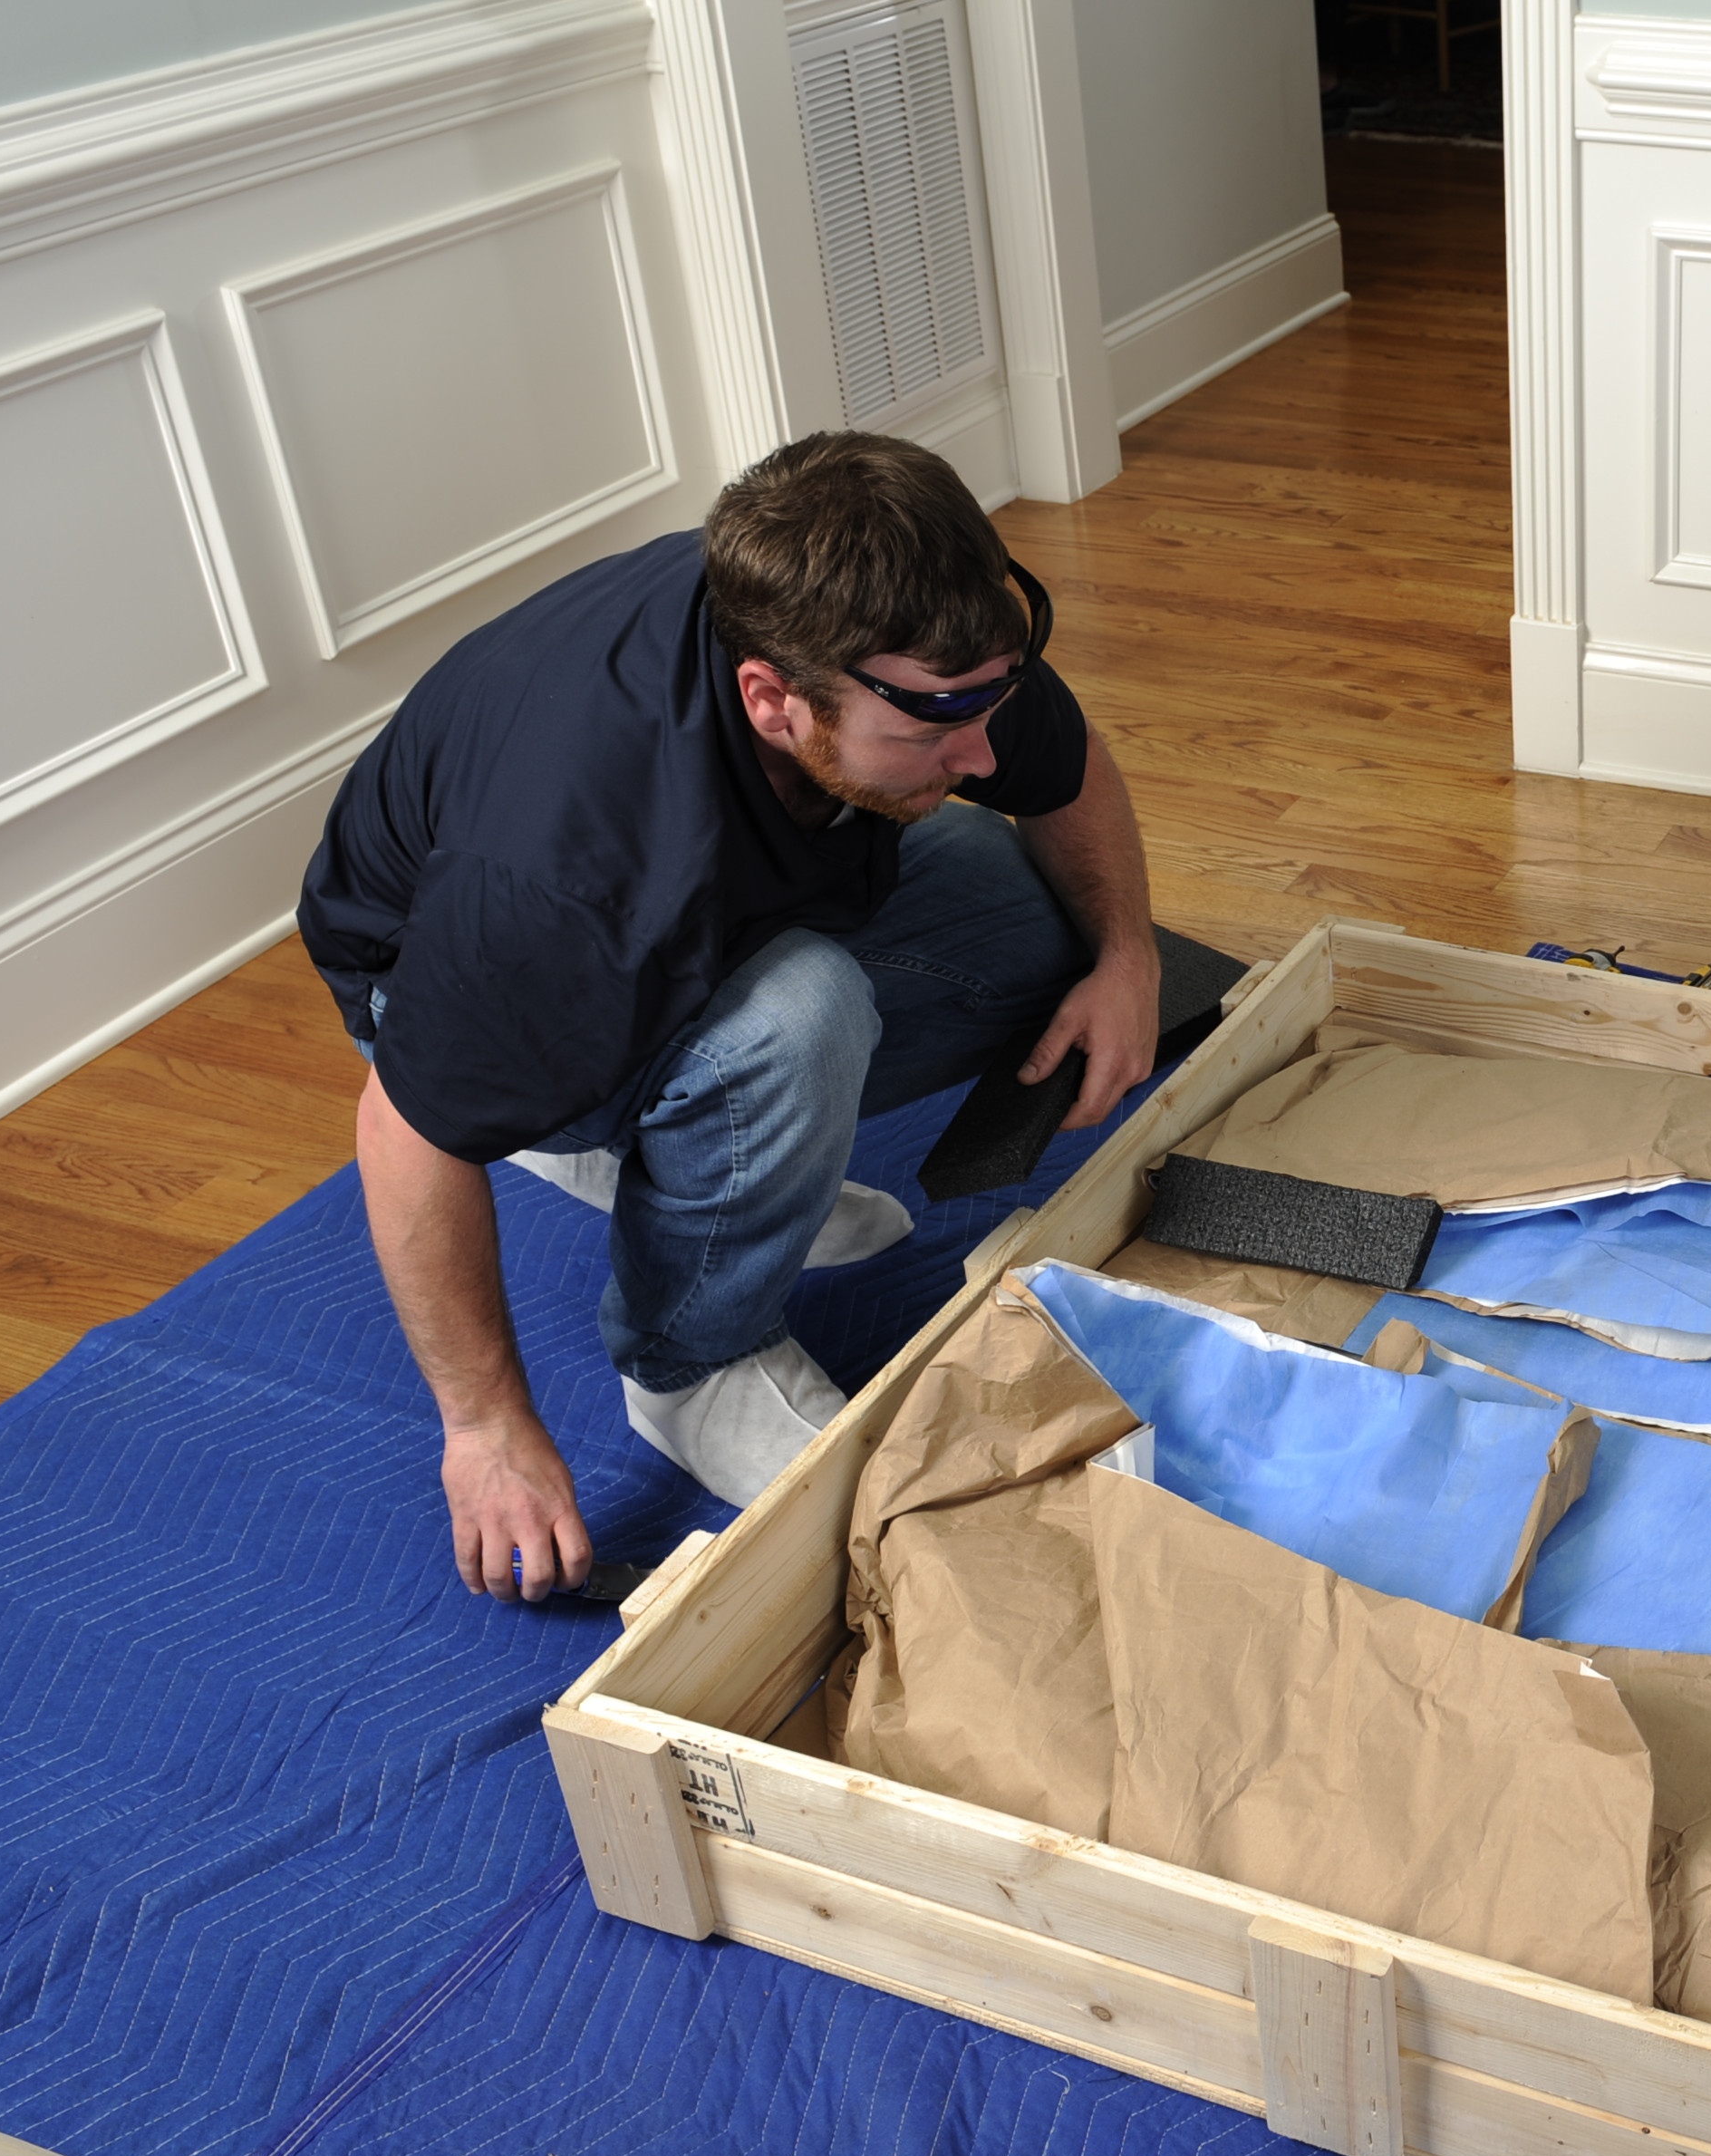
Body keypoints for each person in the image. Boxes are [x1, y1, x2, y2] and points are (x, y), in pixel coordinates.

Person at [298, 432, 1161, 1596]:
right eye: (934, 730)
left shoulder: (906, 635)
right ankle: (688, 1360)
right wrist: (486, 1429)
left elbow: (1063, 769)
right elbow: (405, 1130)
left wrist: (1126, 956)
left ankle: (709, 1171)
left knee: (1030, 920)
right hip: (461, 989)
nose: (982, 748)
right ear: (773, 702)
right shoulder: (574, 869)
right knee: (800, 1018)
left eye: (992, 699)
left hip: (684, 919)